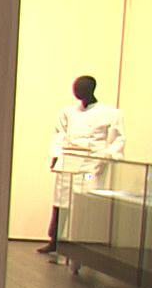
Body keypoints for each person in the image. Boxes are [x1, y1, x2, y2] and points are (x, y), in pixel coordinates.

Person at [39, 75, 125, 255]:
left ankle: (83, 243)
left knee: (87, 201)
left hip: (91, 165)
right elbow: (59, 134)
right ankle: (55, 239)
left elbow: (118, 138)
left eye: (81, 88)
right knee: (60, 201)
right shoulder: (67, 112)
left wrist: (107, 156)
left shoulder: (109, 113)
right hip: (68, 162)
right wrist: (56, 155)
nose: (77, 91)